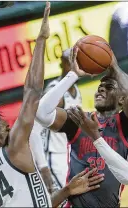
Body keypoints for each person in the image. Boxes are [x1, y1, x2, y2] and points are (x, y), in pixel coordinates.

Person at [0, 3, 104, 207]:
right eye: (6, 129)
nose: (12, 129)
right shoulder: (13, 149)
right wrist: (41, 39)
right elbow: (31, 92)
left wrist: (67, 190)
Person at [35, 47, 128, 207]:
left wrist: (114, 67)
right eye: (100, 86)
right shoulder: (80, 118)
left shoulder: (125, 124)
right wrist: (73, 75)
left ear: (122, 101)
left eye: (109, 87)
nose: (101, 88)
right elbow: (40, 112)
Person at [34, 48, 82, 193]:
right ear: (63, 65)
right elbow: (34, 129)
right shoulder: (55, 92)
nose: (75, 67)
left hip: (68, 154)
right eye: (71, 63)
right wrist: (43, 166)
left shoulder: (76, 91)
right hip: (52, 157)